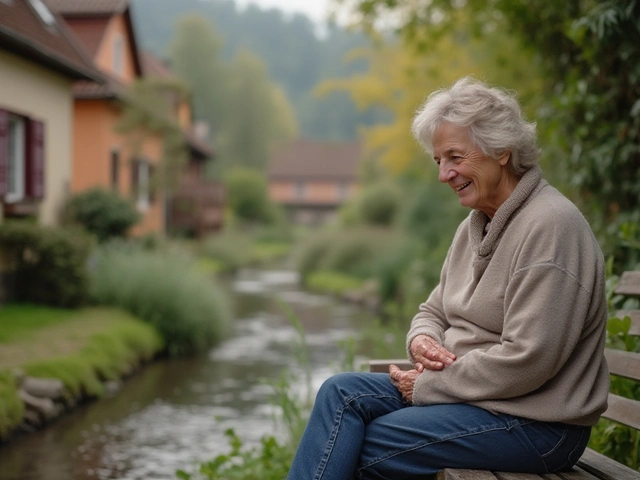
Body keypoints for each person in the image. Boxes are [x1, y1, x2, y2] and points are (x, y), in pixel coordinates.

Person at [286, 77, 610, 480]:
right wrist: (422, 339)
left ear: (501, 150)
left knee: (360, 443)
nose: (444, 174)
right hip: (471, 400)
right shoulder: (474, 227)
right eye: (438, 160)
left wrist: (427, 386)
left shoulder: (551, 226)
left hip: (538, 425)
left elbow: (529, 360)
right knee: (340, 393)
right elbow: (432, 310)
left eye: (454, 157)